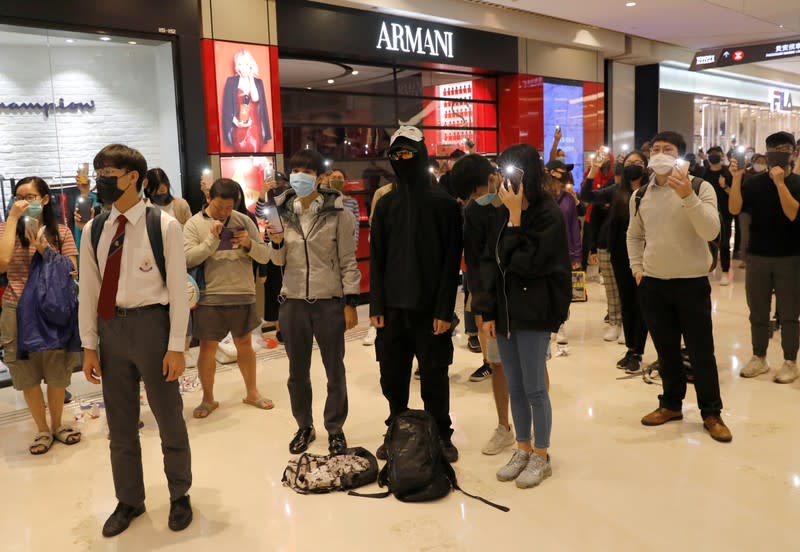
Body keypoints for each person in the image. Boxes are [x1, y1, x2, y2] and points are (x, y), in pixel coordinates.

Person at [79, 144, 192, 536]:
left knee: (169, 419)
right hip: (112, 330)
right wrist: (89, 345)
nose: (103, 180)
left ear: (134, 179)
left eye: (110, 172)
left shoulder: (164, 226)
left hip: (152, 328)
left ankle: (180, 494)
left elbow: (179, 290)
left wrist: (176, 345)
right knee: (121, 425)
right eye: (99, 173)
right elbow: (89, 292)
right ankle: (129, 499)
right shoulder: (95, 229)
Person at [474, 143, 571, 488]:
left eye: (513, 173)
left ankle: (541, 455)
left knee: (534, 389)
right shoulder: (500, 213)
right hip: (505, 312)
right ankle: (523, 448)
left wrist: (515, 219)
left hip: (535, 312)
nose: (505, 179)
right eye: (502, 172)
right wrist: (485, 311)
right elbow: (492, 264)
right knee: (514, 387)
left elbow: (525, 265)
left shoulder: (546, 214)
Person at [627, 131, 731, 443]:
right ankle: (671, 404)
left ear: (679, 155)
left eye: (667, 149)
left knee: (701, 353)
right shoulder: (641, 195)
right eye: (655, 148)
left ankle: (711, 412)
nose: (659, 153)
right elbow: (634, 234)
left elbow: (712, 230)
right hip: (654, 285)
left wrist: (688, 196)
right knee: (666, 350)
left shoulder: (701, 187)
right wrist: (637, 268)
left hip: (691, 284)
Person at [370, 126, 462, 463]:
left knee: (435, 375)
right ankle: (397, 425)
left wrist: (443, 310)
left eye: (409, 153)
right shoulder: (386, 204)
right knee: (392, 376)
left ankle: (441, 433)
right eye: (396, 155)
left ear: (421, 154)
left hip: (430, 312)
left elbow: (451, 263)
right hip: (392, 311)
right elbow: (377, 256)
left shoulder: (444, 205)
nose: (402, 160)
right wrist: (376, 304)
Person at [265, 149, 361, 455]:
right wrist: (275, 242)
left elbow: (347, 261)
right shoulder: (281, 212)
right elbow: (276, 260)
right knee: (297, 371)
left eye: (306, 172)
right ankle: (304, 426)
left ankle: (335, 428)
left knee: (335, 369)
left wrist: (350, 302)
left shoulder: (338, 213)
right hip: (293, 301)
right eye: (295, 170)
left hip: (328, 301)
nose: (298, 177)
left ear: (320, 178)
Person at [0, 177, 81, 455]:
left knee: (57, 370)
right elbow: (2, 261)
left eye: (31, 197)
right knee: (26, 373)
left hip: (52, 309)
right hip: (16, 309)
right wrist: (12, 220)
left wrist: (45, 247)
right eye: (19, 197)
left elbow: (72, 270)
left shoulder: (61, 232)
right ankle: (42, 429)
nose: (24, 202)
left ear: (45, 200)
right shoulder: (4, 229)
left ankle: (57, 424)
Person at [184, 178, 273, 418]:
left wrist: (248, 244)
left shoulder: (244, 220)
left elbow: (265, 256)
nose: (223, 212)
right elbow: (188, 258)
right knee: (207, 348)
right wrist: (213, 239)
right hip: (209, 296)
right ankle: (208, 399)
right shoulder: (193, 224)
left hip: (242, 292)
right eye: (218, 207)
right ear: (208, 199)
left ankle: (252, 392)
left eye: (228, 207)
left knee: (245, 344)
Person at [450, 154, 515, 456]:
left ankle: (534, 432)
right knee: (498, 363)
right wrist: (478, 300)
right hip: (492, 300)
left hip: (524, 296)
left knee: (533, 365)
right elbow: (474, 261)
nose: (478, 197)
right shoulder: (472, 212)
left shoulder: (520, 199)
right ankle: (505, 426)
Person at [729, 132, 800, 383]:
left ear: (793, 152)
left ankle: (790, 361)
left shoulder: (798, 183)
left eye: (783, 148)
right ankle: (759, 357)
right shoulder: (754, 183)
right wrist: (737, 179)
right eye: (773, 148)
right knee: (757, 311)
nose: (778, 152)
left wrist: (780, 183)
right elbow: (735, 209)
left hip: (790, 257)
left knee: (790, 313)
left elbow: (793, 214)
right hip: (758, 255)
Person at [581, 153, 624, 344]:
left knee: (628, 288)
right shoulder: (612, 190)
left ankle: (629, 324)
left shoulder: (645, 192)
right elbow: (588, 200)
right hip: (606, 244)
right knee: (612, 288)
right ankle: (615, 322)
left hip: (633, 247)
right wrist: (593, 171)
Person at [545, 160, 580, 346]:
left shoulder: (568, 199)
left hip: (564, 251)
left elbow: (575, 226)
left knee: (563, 290)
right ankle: (549, 324)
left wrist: (576, 254)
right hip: (545, 250)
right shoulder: (541, 197)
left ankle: (561, 324)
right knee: (546, 289)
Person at [362, 180, 395, 347]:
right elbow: (374, 221)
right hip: (388, 249)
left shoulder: (428, 189)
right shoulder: (383, 192)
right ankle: (374, 326)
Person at [222, 49, 271, 152]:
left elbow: (255, 98)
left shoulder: (258, 82)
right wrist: (236, 122)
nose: (242, 67)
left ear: (250, 65)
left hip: (254, 126)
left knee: (255, 154)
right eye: (240, 64)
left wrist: (251, 78)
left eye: (245, 64)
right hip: (238, 126)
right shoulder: (231, 81)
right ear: (237, 66)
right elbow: (226, 108)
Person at [701, 146, 734, 285]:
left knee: (724, 243)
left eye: (716, 154)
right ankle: (707, 267)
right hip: (707, 212)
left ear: (721, 156)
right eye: (711, 154)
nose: (713, 156)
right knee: (707, 241)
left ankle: (725, 271)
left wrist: (725, 186)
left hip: (725, 213)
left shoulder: (727, 173)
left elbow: (734, 195)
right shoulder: (704, 172)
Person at [327, 168, 361, 247]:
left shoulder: (352, 202)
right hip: (328, 245)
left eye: (339, 178)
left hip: (347, 243)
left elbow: (356, 224)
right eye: (334, 177)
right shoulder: (323, 201)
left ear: (344, 182)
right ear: (329, 181)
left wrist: (354, 243)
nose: (337, 180)